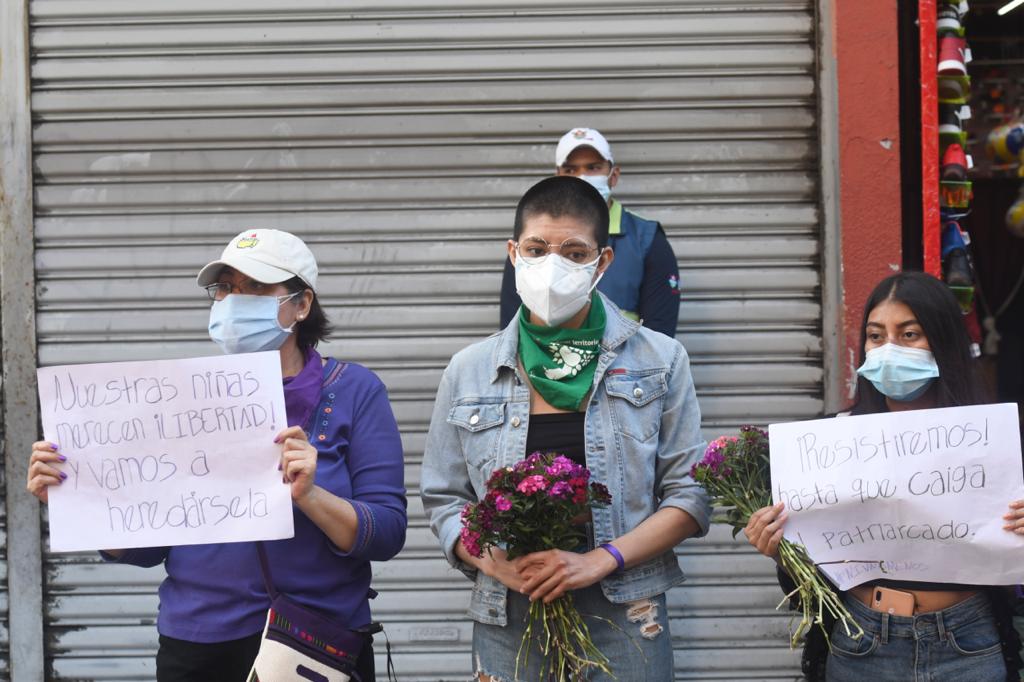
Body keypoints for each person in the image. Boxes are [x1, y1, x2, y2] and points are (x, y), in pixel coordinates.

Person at [27, 229, 408, 682]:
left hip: (314, 643)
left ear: (302, 305)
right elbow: (149, 546)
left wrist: (310, 496)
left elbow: (387, 533)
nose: (233, 301)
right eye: (225, 288)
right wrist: (79, 501)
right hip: (197, 646)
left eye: (256, 288)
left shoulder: (354, 391)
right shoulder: (178, 402)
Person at [422, 176, 711, 680]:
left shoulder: (661, 361)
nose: (553, 265)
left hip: (625, 615)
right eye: (536, 248)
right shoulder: (468, 370)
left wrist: (602, 559)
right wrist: (496, 564)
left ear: (602, 263)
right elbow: (445, 499)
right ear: (513, 254)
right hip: (510, 615)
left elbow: (689, 494)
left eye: (575, 253)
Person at [743, 271, 1024, 681]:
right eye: (876, 336)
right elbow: (808, 586)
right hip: (863, 642)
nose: (889, 349)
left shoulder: (998, 444)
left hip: (969, 643)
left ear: (943, 341)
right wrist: (781, 548)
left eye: (909, 335)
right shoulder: (829, 442)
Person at [499, 127, 682, 338]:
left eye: (593, 167)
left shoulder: (647, 240)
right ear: (558, 177)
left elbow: (660, 332)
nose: (582, 177)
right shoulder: (530, 245)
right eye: (570, 170)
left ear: (613, 176)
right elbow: (511, 327)